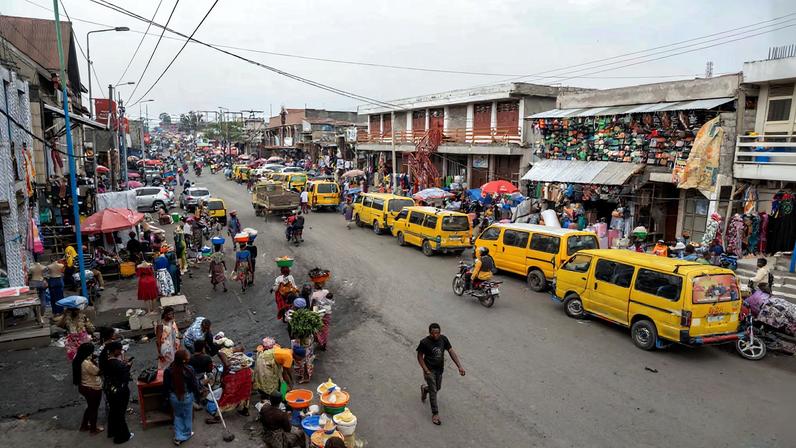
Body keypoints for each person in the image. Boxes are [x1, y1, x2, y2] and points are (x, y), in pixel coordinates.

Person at [417, 323, 465, 426]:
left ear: (440, 332)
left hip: (439, 370)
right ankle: (435, 414)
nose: (436, 335)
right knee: (433, 391)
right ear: (429, 332)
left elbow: (451, 351)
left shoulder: (443, 339)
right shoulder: (424, 342)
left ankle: (425, 389)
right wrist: (425, 369)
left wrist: (459, 366)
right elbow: (420, 356)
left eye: (437, 333)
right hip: (429, 370)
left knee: (437, 387)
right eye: (433, 333)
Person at [164, 349, 200, 445]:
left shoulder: (168, 370)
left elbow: (166, 386)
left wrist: (167, 397)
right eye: (187, 357)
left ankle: (178, 435)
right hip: (186, 397)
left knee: (177, 415)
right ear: (184, 360)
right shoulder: (189, 369)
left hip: (173, 397)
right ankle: (185, 434)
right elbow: (194, 385)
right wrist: (197, 397)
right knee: (187, 416)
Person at [103, 341, 134, 444]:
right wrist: (128, 367)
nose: (121, 352)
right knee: (120, 414)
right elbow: (125, 377)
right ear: (116, 351)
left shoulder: (106, 361)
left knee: (113, 412)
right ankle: (122, 437)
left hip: (110, 390)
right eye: (120, 350)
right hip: (119, 391)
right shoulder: (117, 364)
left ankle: (112, 432)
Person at [72, 342, 104, 435]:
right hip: (92, 388)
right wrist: (97, 363)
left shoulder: (77, 357)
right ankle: (93, 429)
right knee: (94, 409)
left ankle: (84, 426)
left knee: (90, 407)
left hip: (83, 386)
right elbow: (98, 372)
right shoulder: (87, 363)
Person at [311, 284, 334, 351]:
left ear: (315, 286)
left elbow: (313, 305)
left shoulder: (314, 295)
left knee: (317, 328)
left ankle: (319, 341)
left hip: (319, 312)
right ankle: (324, 343)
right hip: (327, 314)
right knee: (324, 330)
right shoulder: (326, 291)